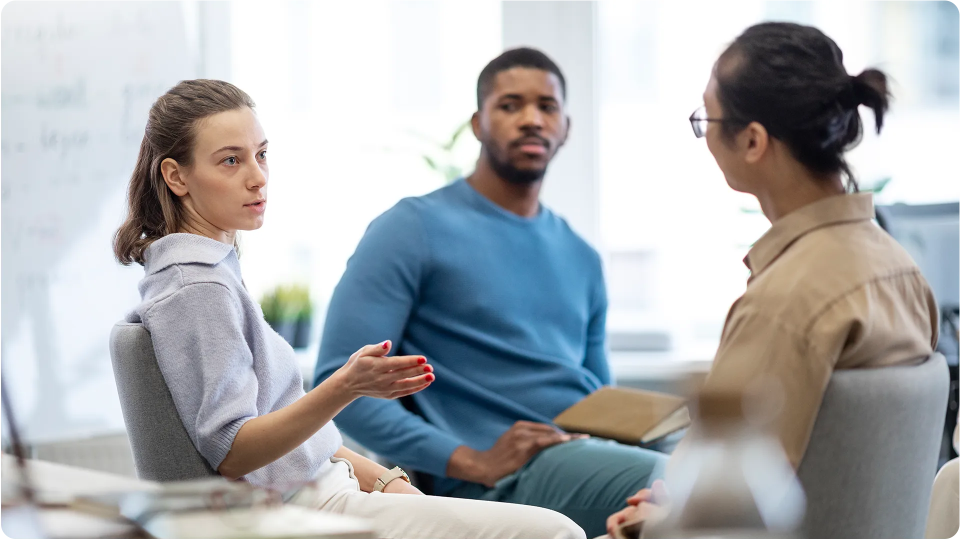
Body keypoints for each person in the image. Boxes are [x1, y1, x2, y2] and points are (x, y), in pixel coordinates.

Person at [113, 79, 585, 540]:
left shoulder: (209, 275)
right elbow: (233, 451)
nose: (257, 176)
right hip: (305, 512)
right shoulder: (198, 289)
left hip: (328, 491)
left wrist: (385, 479)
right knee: (557, 531)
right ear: (176, 176)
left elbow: (296, 444)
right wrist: (345, 386)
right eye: (231, 160)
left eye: (261, 154)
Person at [314, 48, 667, 538]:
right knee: (695, 485)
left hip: (584, 456)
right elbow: (340, 384)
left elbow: (597, 396)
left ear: (566, 127)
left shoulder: (581, 255)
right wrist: (468, 460)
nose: (531, 119)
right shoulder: (411, 228)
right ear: (478, 124)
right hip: (493, 478)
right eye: (510, 105)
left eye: (546, 106)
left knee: (733, 468)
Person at [604, 22, 940, 537]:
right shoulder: (903, 271)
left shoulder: (786, 302)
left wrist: (651, 523)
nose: (705, 135)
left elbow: (723, 512)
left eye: (707, 118)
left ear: (753, 140)